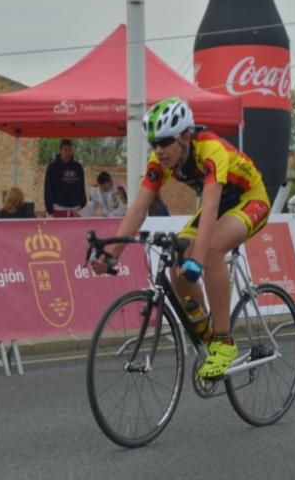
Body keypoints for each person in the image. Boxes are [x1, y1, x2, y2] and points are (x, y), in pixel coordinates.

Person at [91, 97, 270, 380]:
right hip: (219, 204)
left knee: (210, 251)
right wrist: (113, 253)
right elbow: (138, 208)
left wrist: (198, 258)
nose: (159, 150)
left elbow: (210, 207)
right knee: (178, 270)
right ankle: (208, 338)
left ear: (185, 136)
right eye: (154, 144)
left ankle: (224, 344)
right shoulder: (158, 161)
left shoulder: (211, 149)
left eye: (165, 142)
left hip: (250, 199)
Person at [44, 139, 86, 217]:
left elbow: (82, 186)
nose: (68, 153)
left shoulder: (78, 167)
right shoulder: (52, 167)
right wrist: (49, 209)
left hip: (75, 208)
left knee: (76, 229)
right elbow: (48, 188)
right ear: (60, 151)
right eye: (65, 150)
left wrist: (82, 205)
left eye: (70, 150)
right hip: (58, 208)